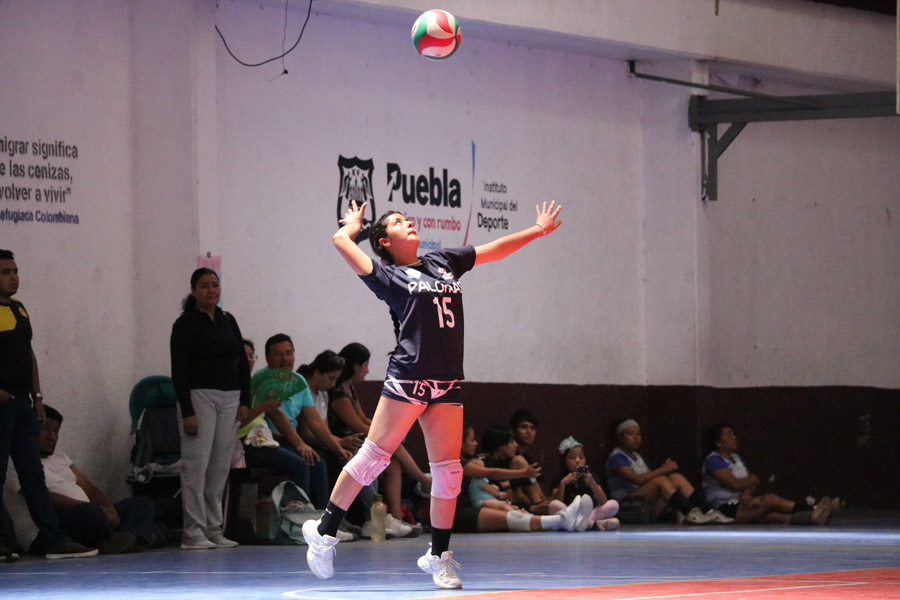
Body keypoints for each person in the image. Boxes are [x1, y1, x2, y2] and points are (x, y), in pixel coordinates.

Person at [303, 199, 563, 589]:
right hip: (408, 378)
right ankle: (323, 535)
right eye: (397, 222)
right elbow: (341, 241)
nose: (407, 223)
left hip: (447, 381)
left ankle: (439, 556)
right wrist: (354, 224)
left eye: (408, 219)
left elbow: (494, 250)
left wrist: (537, 230)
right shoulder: (387, 276)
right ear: (384, 241)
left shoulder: (442, 260)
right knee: (373, 458)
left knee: (449, 472)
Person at [0, 248, 98, 562]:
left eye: (15, 271)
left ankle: (54, 540)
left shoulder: (19, 309)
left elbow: (27, 355)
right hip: (1, 406)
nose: (14, 277)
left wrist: (38, 397)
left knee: (34, 476)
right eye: (6, 272)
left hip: (24, 405)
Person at [4, 405, 164, 554]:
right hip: (45, 530)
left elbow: (89, 488)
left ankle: (128, 538)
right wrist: (91, 508)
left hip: (89, 513)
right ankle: (141, 535)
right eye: (44, 430)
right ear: (29, 430)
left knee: (141, 503)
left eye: (56, 431)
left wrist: (109, 508)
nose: (51, 437)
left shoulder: (61, 458)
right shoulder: (15, 461)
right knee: (90, 514)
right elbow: (41, 497)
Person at [170, 267, 251, 550]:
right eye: (204, 286)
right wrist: (187, 410)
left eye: (215, 285)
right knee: (196, 464)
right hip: (199, 396)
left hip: (230, 397)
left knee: (219, 466)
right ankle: (193, 532)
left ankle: (214, 529)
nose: (211, 290)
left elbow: (242, 361)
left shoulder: (228, 320)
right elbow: (178, 370)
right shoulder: (185, 324)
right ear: (194, 291)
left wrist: (245, 401)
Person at [328, 342, 430, 538]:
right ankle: (424, 481)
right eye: (365, 365)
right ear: (356, 365)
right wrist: (389, 436)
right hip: (346, 442)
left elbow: (365, 419)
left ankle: (396, 516)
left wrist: (392, 429)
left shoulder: (350, 390)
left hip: (360, 441)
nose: (367, 371)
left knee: (393, 464)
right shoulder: (338, 393)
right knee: (388, 447)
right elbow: (357, 425)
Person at [258, 335, 352, 510]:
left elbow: (315, 421)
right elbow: (277, 416)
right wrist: (300, 444)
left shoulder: (299, 381)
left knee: (319, 461)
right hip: (267, 442)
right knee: (301, 462)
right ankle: (299, 522)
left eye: (289, 353)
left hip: (289, 442)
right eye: (278, 354)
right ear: (268, 358)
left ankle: (324, 521)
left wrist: (338, 449)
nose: (285, 358)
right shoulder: (262, 380)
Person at [456, 423, 588, 534]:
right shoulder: (457, 462)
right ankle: (561, 520)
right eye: (471, 440)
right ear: (460, 442)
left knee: (513, 512)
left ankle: (569, 520)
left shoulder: (466, 461)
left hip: (473, 507)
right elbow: (491, 473)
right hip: (459, 514)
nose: (475, 443)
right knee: (512, 518)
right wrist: (523, 473)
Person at [701, 423, 837, 525]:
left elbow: (752, 482)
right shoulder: (713, 460)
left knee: (774, 516)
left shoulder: (737, 458)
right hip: (725, 509)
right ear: (718, 442)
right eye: (729, 435)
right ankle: (815, 507)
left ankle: (813, 517)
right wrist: (750, 480)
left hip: (742, 502)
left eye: (734, 434)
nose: (734, 438)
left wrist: (747, 493)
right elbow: (735, 484)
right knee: (770, 499)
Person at [605, 418, 732, 524]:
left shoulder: (637, 456)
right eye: (630, 434)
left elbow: (648, 478)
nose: (636, 437)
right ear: (620, 437)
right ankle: (689, 512)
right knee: (660, 480)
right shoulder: (617, 457)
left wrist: (664, 471)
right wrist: (663, 469)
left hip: (645, 504)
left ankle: (708, 511)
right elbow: (638, 480)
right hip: (627, 507)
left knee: (675, 477)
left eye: (638, 433)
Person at [551, 436, 619, 531]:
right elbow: (556, 501)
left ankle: (583, 522)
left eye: (581, 457)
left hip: (590, 512)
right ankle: (591, 524)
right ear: (564, 461)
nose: (577, 461)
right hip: (569, 512)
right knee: (553, 505)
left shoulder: (591, 476)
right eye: (572, 458)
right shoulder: (560, 477)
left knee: (614, 504)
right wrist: (563, 484)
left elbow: (603, 500)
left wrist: (592, 483)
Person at [479, 424, 549, 514]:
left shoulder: (509, 460)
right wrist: (521, 479)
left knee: (520, 461)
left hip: (514, 503)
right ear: (500, 445)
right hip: (494, 506)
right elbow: (495, 488)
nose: (516, 445)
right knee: (519, 462)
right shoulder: (485, 463)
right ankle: (540, 508)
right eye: (512, 442)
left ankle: (543, 506)